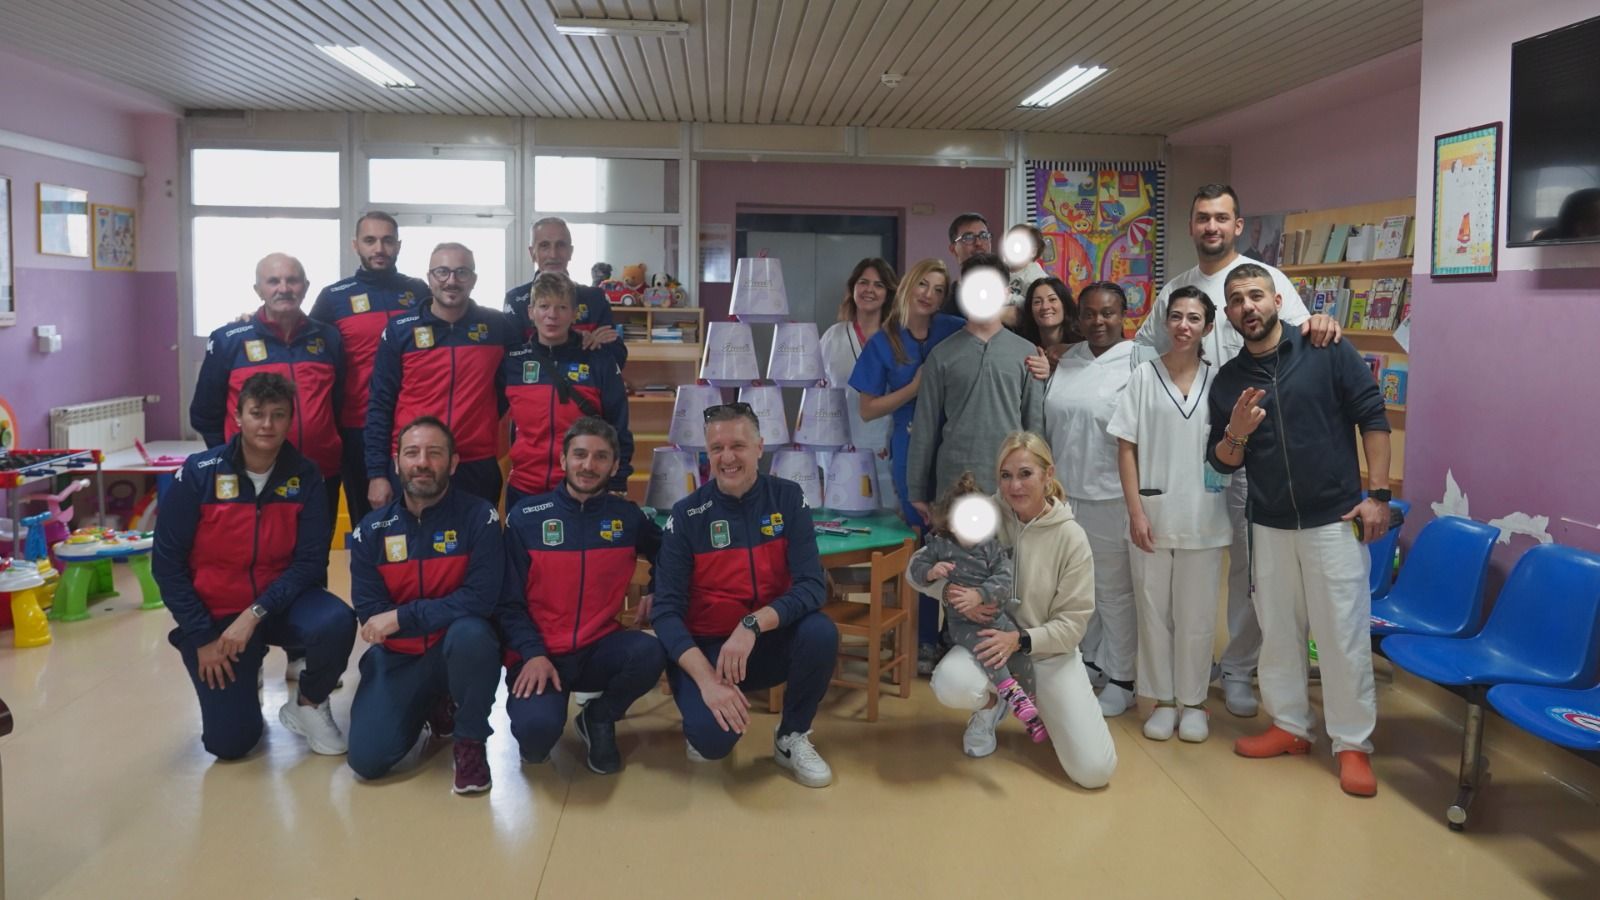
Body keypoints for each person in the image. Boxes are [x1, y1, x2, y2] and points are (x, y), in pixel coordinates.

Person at [1134, 183, 1341, 718]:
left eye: (1221, 218)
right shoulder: (1176, 289)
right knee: (1193, 568)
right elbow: (1138, 355)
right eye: (1202, 217)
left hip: (1259, 453)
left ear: (1238, 225)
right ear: (1191, 226)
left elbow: (1300, 335)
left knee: (1251, 571)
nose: (1211, 227)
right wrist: (1069, 358)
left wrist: (1321, 321)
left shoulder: (1264, 280)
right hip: (1193, 458)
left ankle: (1239, 669)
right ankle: (1191, 671)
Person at [1207, 263, 1391, 798]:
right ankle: (1290, 726)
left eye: (1256, 295)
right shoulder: (1229, 381)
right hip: (1268, 523)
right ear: (1228, 315)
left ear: (1276, 300)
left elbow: (1372, 415)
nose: (1248, 306)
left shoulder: (1323, 348)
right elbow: (1220, 463)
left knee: (1341, 635)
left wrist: (1376, 495)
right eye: (1237, 299)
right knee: (1278, 634)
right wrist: (1236, 435)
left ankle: (1352, 744)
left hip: (1333, 518)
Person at [155, 372, 355, 760]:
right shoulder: (198, 474)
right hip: (218, 617)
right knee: (230, 745)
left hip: (278, 604)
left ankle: (309, 704)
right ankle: (243, 662)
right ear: (237, 416)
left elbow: (310, 562)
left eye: (278, 415)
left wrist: (256, 613)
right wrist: (201, 636)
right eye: (257, 413)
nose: (267, 424)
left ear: (291, 419)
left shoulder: (307, 476)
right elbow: (166, 564)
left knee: (337, 621)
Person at [912, 432, 1117, 789]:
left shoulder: (1071, 538)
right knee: (951, 683)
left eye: (1025, 474)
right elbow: (918, 566)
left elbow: (1072, 625)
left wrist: (1020, 639)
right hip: (988, 645)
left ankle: (1047, 706)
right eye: (1005, 475)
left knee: (1095, 772)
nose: (1014, 486)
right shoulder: (984, 513)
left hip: (1048, 654)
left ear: (1048, 474)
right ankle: (993, 704)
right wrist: (953, 592)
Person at [651, 402, 837, 788]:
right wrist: (706, 680)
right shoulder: (686, 516)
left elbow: (812, 586)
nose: (727, 457)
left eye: (738, 445)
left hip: (763, 642)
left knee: (820, 632)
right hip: (709, 653)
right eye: (716, 448)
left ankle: (791, 737)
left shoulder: (788, 500)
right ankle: (705, 712)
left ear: (759, 448)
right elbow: (665, 613)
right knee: (713, 743)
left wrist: (752, 624)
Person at [498, 417, 666, 774]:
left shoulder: (627, 518)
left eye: (601, 457)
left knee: (651, 650)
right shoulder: (526, 517)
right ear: (563, 460)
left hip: (597, 650)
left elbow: (668, 552)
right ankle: (543, 714)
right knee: (535, 739)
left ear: (615, 466)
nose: (588, 465)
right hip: (538, 654)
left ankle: (599, 718)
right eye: (580, 455)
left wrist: (657, 588)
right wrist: (532, 653)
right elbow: (507, 601)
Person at [347, 416, 505, 794]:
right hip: (398, 658)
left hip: (455, 650)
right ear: (397, 462)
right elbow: (371, 612)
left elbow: (480, 599)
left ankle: (470, 742)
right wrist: (395, 622)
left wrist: (402, 616)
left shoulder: (479, 517)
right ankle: (430, 704)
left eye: (434, 454)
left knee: (473, 633)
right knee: (367, 762)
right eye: (412, 453)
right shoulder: (371, 531)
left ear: (452, 463)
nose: (422, 463)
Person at [1107, 286, 1232, 743]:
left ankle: (1194, 702)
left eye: (1193, 318)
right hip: (1151, 516)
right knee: (1153, 611)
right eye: (1176, 316)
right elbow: (1126, 447)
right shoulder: (1143, 375)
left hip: (1204, 514)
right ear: (1165, 322)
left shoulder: (1221, 381)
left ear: (1208, 327)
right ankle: (1161, 700)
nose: (1183, 325)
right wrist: (1135, 511)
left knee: (1197, 615)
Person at [851, 257, 964, 671]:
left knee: (957, 540)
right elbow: (867, 409)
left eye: (938, 290)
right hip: (909, 444)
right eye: (923, 286)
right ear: (908, 287)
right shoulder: (885, 341)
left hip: (952, 446)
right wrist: (915, 388)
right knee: (919, 541)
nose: (929, 296)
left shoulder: (953, 329)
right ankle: (920, 643)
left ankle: (957, 637)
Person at [1039, 281, 1143, 717]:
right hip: (1063, 496)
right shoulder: (1067, 360)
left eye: (1109, 313)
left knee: (1114, 591)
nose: (1099, 322)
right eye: (1090, 314)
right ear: (1078, 317)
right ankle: (1093, 661)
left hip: (1110, 495)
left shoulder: (1138, 361)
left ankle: (1123, 677)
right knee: (1074, 591)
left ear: (1124, 316)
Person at [191, 252, 345, 524]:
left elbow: (340, 403)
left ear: (306, 287)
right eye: (273, 281)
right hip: (252, 477)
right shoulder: (229, 340)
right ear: (258, 290)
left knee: (315, 557)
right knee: (258, 555)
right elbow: (204, 413)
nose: (284, 289)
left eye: (293, 281)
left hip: (320, 473)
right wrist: (229, 459)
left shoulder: (328, 338)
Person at [365, 242, 517, 508]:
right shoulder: (401, 330)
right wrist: (377, 473)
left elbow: (521, 373)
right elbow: (380, 403)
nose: (451, 281)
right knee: (413, 547)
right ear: (429, 278)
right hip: (415, 462)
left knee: (475, 547)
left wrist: (586, 338)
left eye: (462, 272)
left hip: (475, 463)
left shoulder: (497, 327)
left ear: (474, 279)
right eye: (442, 272)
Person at [310, 211, 432, 528]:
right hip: (359, 430)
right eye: (370, 240)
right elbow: (299, 340)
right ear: (355, 245)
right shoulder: (333, 298)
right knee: (371, 525)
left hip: (414, 426)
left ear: (398, 245)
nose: (379, 248)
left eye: (387, 240)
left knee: (420, 523)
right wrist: (251, 317)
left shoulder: (419, 292)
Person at [907, 472, 1046, 742]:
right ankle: (1012, 697)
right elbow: (915, 569)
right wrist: (933, 572)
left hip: (998, 618)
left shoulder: (991, 548)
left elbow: (1003, 580)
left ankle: (1030, 706)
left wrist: (980, 595)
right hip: (964, 625)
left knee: (1022, 660)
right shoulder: (940, 546)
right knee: (988, 651)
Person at [905, 253, 1044, 517]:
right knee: (953, 557)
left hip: (1012, 485)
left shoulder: (1026, 354)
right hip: (953, 483)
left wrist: (1038, 484)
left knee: (1009, 558)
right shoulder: (941, 354)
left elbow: (1034, 427)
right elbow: (925, 426)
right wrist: (916, 489)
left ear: (1005, 293)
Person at [502, 271, 632, 509]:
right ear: (531, 313)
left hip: (584, 487)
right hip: (524, 488)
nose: (552, 315)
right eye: (544, 306)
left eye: (562, 307)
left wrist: (618, 481)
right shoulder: (513, 362)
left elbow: (619, 424)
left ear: (574, 314)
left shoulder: (599, 360)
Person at [819, 257, 898, 512]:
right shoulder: (833, 336)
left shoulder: (897, 340)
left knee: (887, 521)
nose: (869, 290)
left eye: (878, 285)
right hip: (840, 445)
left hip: (884, 447)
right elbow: (818, 394)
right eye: (863, 282)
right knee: (843, 518)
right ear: (853, 288)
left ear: (888, 294)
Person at [504, 216, 626, 368]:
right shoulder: (516, 300)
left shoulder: (595, 298)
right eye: (544, 246)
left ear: (570, 251)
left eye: (561, 245)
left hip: (585, 390)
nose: (553, 254)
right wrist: (579, 341)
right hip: (534, 389)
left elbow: (617, 357)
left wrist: (596, 347)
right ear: (532, 253)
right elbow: (511, 361)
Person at [1012, 275, 1078, 375]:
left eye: (1052, 300)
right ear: (1030, 310)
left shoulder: (1082, 345)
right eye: (1037, 302)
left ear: (1064, 305)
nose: (1045, 307)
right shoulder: (1023, 348)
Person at [940, 213, 993, 315]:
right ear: (953, 250)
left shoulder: (1010, 291)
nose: (978, 243)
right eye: (968, 238)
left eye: (984, 236)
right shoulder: (946, 302)